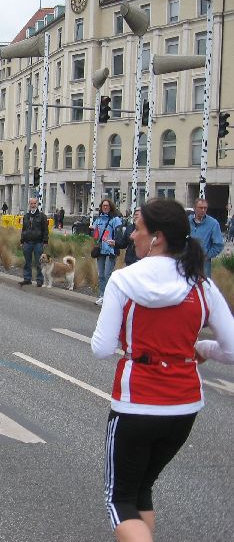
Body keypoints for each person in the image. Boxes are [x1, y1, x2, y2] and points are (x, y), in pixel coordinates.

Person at [91, 198, 234, 542]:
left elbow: (101, 348)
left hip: (136, 404)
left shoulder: (123, 280)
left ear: (156, 237)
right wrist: (202, 349)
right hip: (184, 408)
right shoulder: (201, 284)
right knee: (142, 489)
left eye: (137, 228)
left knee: (119, 500)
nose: (132, 235)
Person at [92, 199, 123, 305]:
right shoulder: (98, 219)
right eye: (103, 206)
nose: (105, 207)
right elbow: (94, 233)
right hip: (100, 250)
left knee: (107, 275)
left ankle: (110, 297)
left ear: (111, 207)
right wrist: (91, 230)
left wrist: (116, 243)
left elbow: (119, 234)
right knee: (101, 275)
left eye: (107, 206)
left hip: (110, 250)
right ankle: (102, 296)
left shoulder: (115, 219)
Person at [188, 198, 224, 279]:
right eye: (200, 208)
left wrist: (206, 256)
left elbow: (219, 245)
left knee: (203, 284)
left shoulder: (213, 224)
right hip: (187, 261)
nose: (203, 210)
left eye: (205, 208)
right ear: (194, 208)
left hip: (203, 265)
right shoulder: (187, 221)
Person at [19, 197, 49, 288]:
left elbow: (45, 230)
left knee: (39, 262)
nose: (33, 205)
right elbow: (24, 229)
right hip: (27, 242)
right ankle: (27, 279)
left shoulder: (42, 216)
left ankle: (39, 280)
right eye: (31, 203)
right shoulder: (26, 216)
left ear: (37, 204)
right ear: (29, 204)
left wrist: (45, 241)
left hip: (38, 243)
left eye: (34, 203)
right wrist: (22, 241)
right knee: (27, 262)